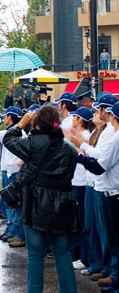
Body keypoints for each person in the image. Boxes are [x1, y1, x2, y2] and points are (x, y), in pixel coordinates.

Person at [3, 105, 79, 293]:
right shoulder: (69, 149)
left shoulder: (33, 144)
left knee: (35, 255)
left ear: (36, 123)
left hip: (35, 205)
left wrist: (22, 123)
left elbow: (8, 139)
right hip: (62, 205)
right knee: (62, 254)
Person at [66, 93, 118, 288]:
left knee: (107, 234)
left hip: (106, 187)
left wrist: (82, 147)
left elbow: (101, 162)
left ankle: (110, 270)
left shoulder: (113, 134)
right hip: (98, 185)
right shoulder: (105, 132)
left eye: (99, 110)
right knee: (98, 229)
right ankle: (106, 268)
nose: (96, 113)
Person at [0, 106, 26, 247]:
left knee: (14, 203)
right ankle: (11, 229)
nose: (4, 118)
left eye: (5, 116)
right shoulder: (16, 131)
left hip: (13, 171)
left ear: (10, 117)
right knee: (9, 203)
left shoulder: (14, 132)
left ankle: (15, 231)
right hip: (9, 170)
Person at [68, 107, 94, 270]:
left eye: (75, 117)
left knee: (83, 222)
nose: (72, 119)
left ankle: (84, 256)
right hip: (77, 181)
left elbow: (83, 157)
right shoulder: (80, 136)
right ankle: (80, 253)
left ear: (80, 120)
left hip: (82, 182)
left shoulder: (84, 137)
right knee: (78, 221)